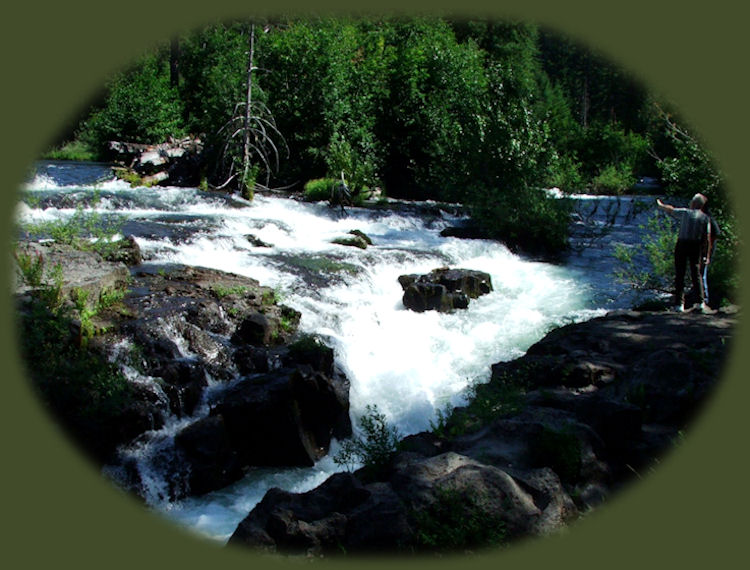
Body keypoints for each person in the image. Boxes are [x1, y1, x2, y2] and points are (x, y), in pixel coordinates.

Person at [656, 193, 712, 312]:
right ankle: (701, 303)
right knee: (696, 274)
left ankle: (679, 305)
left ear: (694, 203)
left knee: (680, 274)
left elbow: (671, 210)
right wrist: (706, 255)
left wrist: (661, 205)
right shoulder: (705, 218)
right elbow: (707, 238)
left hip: (682, 244)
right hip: (696, 246)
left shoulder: (686, 213)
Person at [699, 203, 720, 307]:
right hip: (704, 250)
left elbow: (714, 236)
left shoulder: (709, 219)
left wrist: (707, 251)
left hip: (707, 251)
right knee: (701, 273)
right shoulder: (706, 219)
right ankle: (701, 297)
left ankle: (704, 298)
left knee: (702, 274)